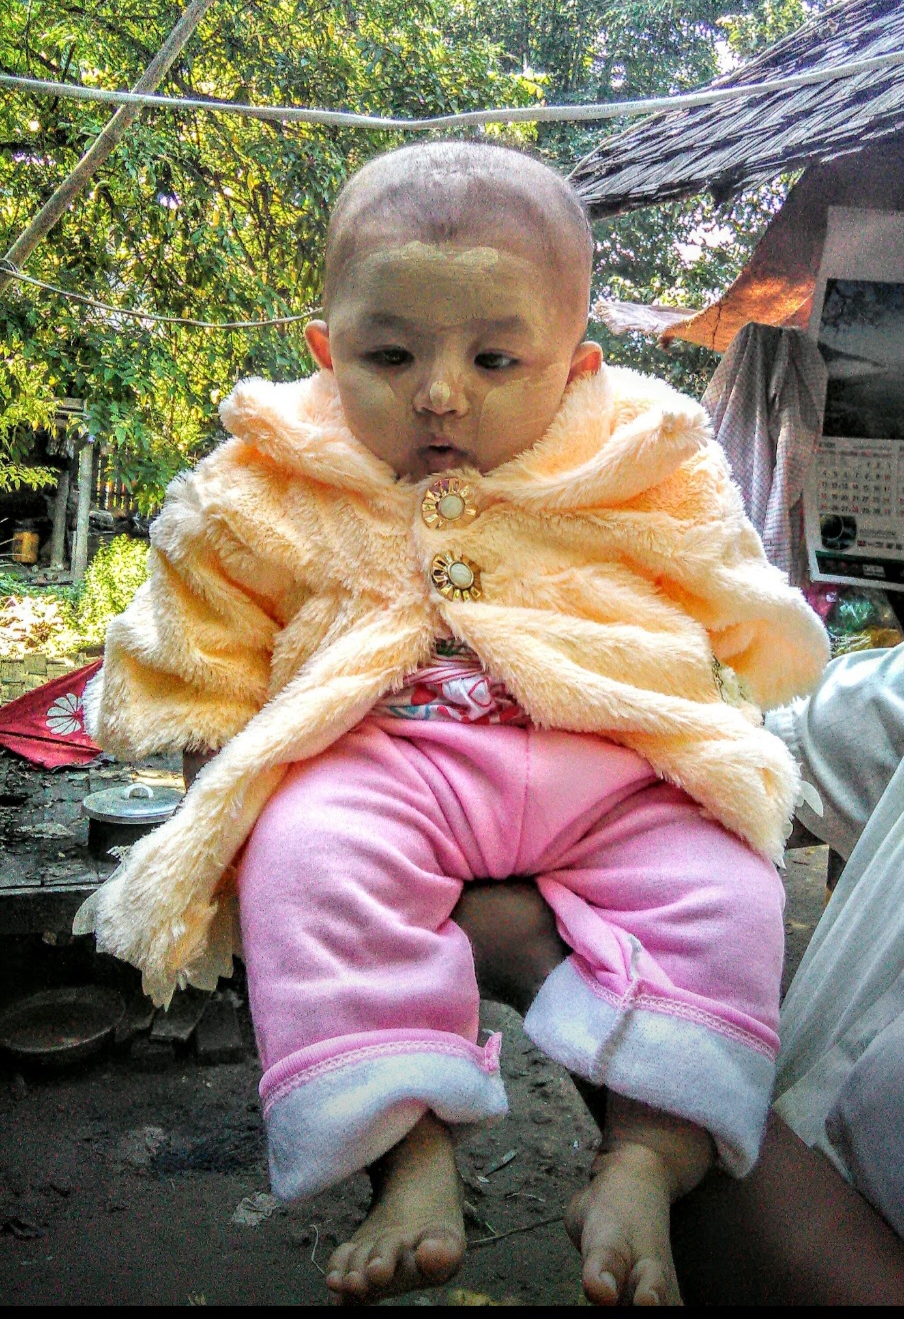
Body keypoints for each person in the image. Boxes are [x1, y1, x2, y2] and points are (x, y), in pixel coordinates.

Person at [76, 141, 828, 1305]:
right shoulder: (265, 477)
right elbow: (198, 632)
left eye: (493, 358)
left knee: (729, 888)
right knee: (306, 860)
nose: (439, 392)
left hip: (608, 764)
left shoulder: (636, 448)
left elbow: (713, 561)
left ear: (573, 369)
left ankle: (649, 1150)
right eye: (389, 355)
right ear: (326, 352)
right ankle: (407, 1153)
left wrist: (757, 640)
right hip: (383, 763)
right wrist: (214, 785)